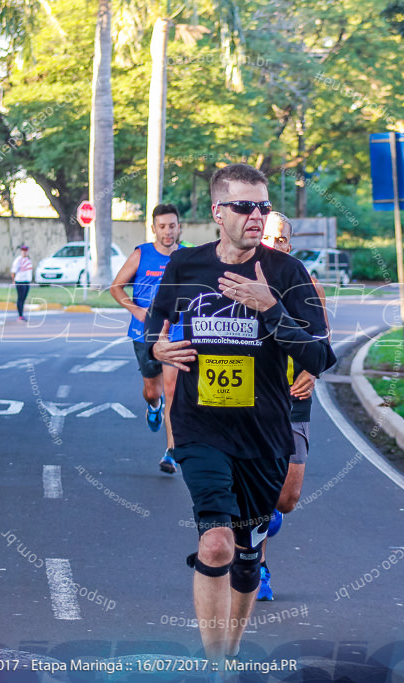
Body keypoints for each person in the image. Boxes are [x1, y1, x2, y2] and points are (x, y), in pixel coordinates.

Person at [146, 164, 335, 668]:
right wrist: (159, 350)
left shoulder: (288, 274)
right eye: (245, 206)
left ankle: (229, 650)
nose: (257, 216)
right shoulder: (185, 265)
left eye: (264, 207)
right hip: (199, 427)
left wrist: (270, 307)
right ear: (218, 212)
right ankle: (216, 666)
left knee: (248, 557)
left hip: (264, 434)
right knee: (215, 544)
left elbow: (319, 356)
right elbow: (150, 334)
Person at [256, 212, 328, 602]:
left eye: (282, 239)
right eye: (268, 236)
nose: (275, 243)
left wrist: (313, 372)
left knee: (286, 498)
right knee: (256, 489)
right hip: (251, 400)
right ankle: (259, 566)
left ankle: (268, 516)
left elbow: (322, 336)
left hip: (294, 397)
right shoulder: (238, 281)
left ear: (290, 244)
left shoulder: (304, 283)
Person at [111, 204, 183, 473]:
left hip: (176, 332)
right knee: (153, 391)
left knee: (173, 389)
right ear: (154, 228)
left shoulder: (186, 256)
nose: (168, 231)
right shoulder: (142, 254)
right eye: (162, 226)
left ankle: (171, 453)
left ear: (179, 227)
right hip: (144, 333)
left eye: (172, 225)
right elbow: (116, 287)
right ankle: (154, 406)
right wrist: (136, 309)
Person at [10, 244, 33, 321]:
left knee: (24, 298)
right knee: (20, 298)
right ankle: (20, 315)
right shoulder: (18, 260)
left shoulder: (28, 260)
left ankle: (22, 313)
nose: (24, 252)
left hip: (27, 281)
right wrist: (14, 280)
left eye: (26, 250)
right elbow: (13, 271)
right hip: (20, 281)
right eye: (23, 250)